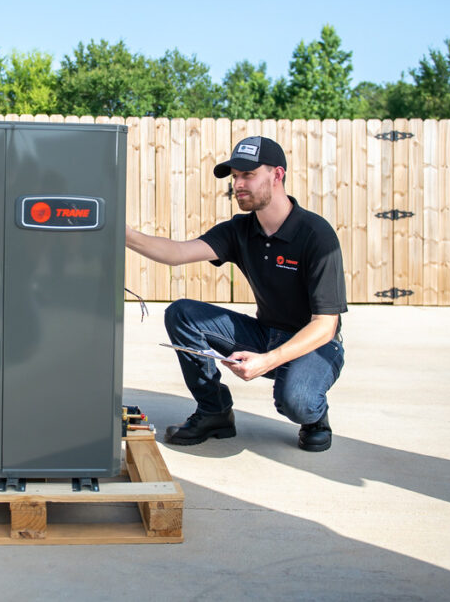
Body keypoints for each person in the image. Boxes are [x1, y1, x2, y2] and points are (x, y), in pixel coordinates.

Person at [125, 136, 347, 452]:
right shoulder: (240, 230)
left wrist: (268, 360)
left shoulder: (316, 235)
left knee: (295, 400)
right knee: (182, 313)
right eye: (235, 177)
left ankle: (315, 417)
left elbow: (325, 325)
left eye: (248, 175)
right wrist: (126, 235)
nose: (238, 184)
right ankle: (214, 411)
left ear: (277, 175)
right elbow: (177, 252)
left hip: (317, 345)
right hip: (264, 334)